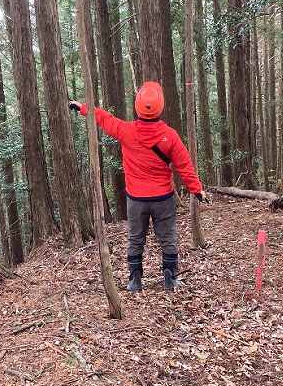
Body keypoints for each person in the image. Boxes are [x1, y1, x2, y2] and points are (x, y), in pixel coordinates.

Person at [69, 81, 206, 292]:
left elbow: (104, 118)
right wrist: (197, 190)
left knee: (135, 238)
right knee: (167, 238)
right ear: (160, 105)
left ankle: (135, 280)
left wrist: (83, 108)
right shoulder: (170, 136)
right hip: (163, 198)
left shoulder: (126, 131)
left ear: (137, 105)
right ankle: (169, 278)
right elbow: (184, 165)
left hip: (136, 200)